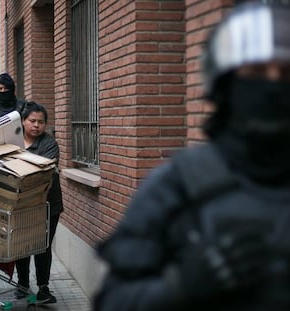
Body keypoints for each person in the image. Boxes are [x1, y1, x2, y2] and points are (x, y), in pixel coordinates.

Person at [94, 2, 290, 310]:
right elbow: (114, 301)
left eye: (286, 74)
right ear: (225, 85)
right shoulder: (176, 185)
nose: (273, 85)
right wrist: (180, 286)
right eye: (256, 71)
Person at [14, 101, 63, 304]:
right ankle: (22, 284)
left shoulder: (49, 144)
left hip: (47, 204)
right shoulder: (12, 141)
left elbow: (42, 172)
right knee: (22, 246)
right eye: (32, 121)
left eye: (41, 122)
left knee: (42, 246)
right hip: (20, 204)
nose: (36, 125)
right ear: (23, 121)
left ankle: (43, 288)